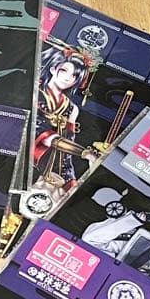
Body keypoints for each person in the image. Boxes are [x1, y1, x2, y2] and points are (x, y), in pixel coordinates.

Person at [32, 47, 101, 194]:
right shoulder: (34, 92)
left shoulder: (71, 109)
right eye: (64, 70)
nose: (68, 78)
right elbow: (42, 133)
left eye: (74, 75)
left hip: (46, 166)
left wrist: (70, 183)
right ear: (53, 69)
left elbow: (65, 156)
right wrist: (85, 153)